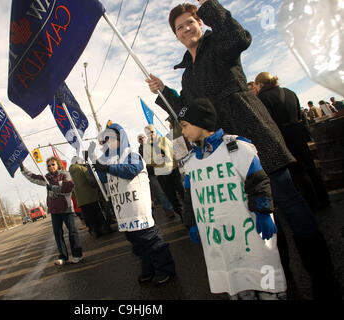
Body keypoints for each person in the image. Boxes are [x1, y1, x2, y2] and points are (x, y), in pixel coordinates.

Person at [146, 0, 341, 299]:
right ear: (175, 35)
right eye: (179, 27)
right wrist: (164, 92)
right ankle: (282, 281)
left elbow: (240, 37)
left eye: (190, 22)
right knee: (258, 211)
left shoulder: (220, 45)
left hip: (255, 132)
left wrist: (208, 6)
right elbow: (188, 111)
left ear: (201, 23)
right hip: (228, 149)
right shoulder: (188, 73)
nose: (186, 29)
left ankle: (324, 279)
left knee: (288, 200)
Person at [179, 97, 286, 299]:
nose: (183, 132)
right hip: (220, 239)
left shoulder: (237, 148)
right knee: (236, 280)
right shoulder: (190, 163)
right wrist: (191, 223)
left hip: (249, 230)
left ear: (201, 122)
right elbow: (189, 198)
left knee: (263, 269)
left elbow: (258, 182)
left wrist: (263, 212)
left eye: (185, 126)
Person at [92, 123, 176, 285]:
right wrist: (94, 166)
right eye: (104, 141)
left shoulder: (131, 154)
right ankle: (149, 268)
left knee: (151, 240)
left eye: (109, 139)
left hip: (138, 209)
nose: (106, 143)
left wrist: (107, 167)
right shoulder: (109, 159)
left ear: (120, 138)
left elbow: (131, 171)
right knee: (137, 243)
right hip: (123, 211)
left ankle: (165, 269)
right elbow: (101, 179)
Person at [255, 72, 330, 210]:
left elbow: (268, 122)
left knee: (297, 171)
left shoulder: (263, 97)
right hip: (298, 133)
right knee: (311, 167)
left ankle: (312, 204)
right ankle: (324, 199)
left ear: (260, 84)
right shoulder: (289, 91)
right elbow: (299, 113)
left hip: (284, 136)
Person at [20, 157, 83, 266]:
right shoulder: (46, 177)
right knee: (57, 234)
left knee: (72, 232)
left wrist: (53, 188)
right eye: (49, 165)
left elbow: (68, 188)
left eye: (53, 164)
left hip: (66, 208)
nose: (51, 167)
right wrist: (22, 168)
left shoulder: (65, 174)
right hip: (54, 210)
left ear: (58, 164)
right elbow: (33, 177)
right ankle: (63, 257)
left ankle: (77, 254)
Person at [142, 124, 184, 221]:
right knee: (170, 195)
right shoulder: (146, 146)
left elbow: (173, 153)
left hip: (173, 170)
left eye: (152, 132)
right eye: (148, 133)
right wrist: (157, 159)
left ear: (155, 131)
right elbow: (147, 161)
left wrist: (176, 165)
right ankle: (180, 212)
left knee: (181, 190)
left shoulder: (165, 140)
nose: (150, 134)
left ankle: (190, 209)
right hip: (161, 174)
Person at [69, 156, 112, 238]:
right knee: (98, 213)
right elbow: (91, 180)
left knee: (89, 217)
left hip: (81, 200)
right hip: (90, 196)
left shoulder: (70, 173)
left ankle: (97, 232)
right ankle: (106, 229)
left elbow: (72, 189)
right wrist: (98, 186)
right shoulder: (83, 169)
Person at [138, 133, 176, 218]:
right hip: (151, 174)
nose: (142, 139)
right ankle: (169, 210)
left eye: (143, 137)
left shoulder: (152, 144)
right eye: (140, 139)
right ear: (139, 141)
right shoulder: (140, 150)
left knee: (168, 189)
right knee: (160, 193)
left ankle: (174, 206)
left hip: (160, 170)